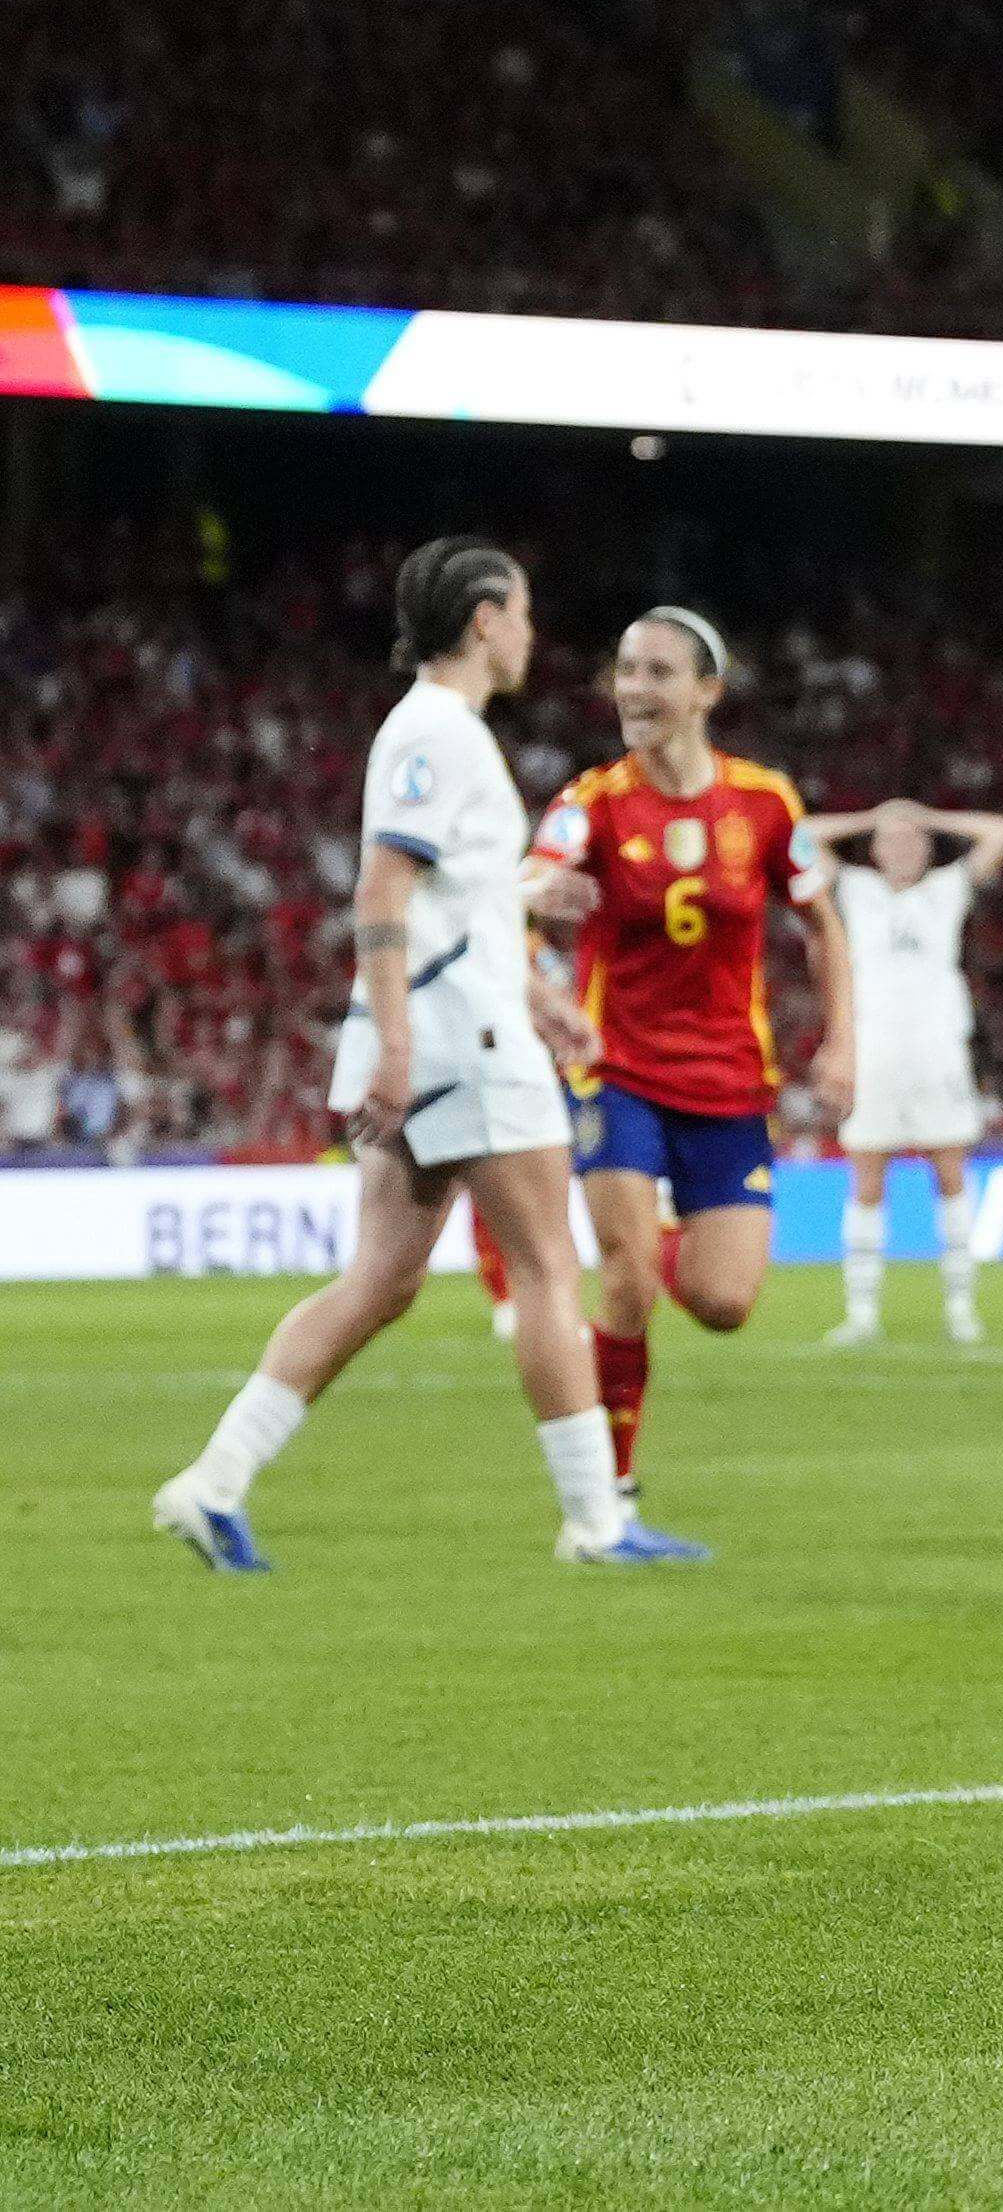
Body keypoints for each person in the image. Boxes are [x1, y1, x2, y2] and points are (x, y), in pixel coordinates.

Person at [151, 537, 696, 1569]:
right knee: (546, 1267)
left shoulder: (438, 734)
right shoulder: (438, 734)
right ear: (486, 617)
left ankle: (210, 1483)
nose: (532, 633)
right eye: (523, 611)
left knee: (381, 1282)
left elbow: (457, 905)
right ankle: (597, 1521)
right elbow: (383, 890)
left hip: (461, 1023)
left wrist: (539, 995)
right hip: (455, 1040)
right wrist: (403, 1041)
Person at [529, 607, 855, 1503]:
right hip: (616, 1066)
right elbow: (516, 895)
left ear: (707, 691)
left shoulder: (765, 802)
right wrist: (543, 971)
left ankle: (650, 1241)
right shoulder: (589, 803)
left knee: (722, 1303)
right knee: (626, 1281)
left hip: (727, 1077)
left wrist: (843, 1042)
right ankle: (609, 1495)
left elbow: (823, 925)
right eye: (626, 669)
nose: (634, 687)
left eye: (659, 671)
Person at [811, 798, 1003, 1345]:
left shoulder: (947, 887)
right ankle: (860, 1314)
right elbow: (801, 832)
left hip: (938, 1053)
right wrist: (871, 817)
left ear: (927, 849)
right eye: (891, 840)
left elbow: (1001, 828)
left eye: (912, 840)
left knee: (950, 1177)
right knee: (866, 1181)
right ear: (875, 850)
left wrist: (925, 815)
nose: (901, 847)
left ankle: (961, 1308)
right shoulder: (856, 888)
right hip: (873, 1051)